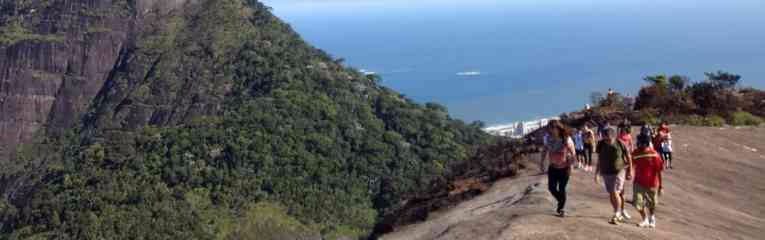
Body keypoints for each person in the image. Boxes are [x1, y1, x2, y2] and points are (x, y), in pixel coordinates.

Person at [595, 126, 633, 225]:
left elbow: (628, 156)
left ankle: (617, 212)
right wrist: (597, 173)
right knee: (612, 193)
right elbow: (599, 159)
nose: (607, 141)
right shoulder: (601, 144)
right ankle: (618, 211)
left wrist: (630, 171)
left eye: (608, 139)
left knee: (615, 191)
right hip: (606, 172)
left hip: (618, 171)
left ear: (613, 136)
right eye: (605, 138)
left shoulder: (620, 143)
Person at [541, 120, 576, 217]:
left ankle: (561, 208)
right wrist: (542, 162)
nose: (551, 130)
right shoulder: (548, 139)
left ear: (558, 128)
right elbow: (544, 150)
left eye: (553, 128)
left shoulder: (566, 139)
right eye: (549, 128)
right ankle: (561, 201)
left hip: (564, 168)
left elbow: (573, 153)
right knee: (551, 188)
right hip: (553, 167)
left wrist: (572, 164)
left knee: (561, 188)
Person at [631, 134, 664, 228]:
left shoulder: (654, 154)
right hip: (638, 182)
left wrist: (661, 186)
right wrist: (628, 172)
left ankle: (652, 218)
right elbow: (631, 163)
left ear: (646, 143)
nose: (638, 144)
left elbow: (659, 171)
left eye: (640, 143)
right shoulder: (635, 153)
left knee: (652, 203)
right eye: (638, 142)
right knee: (637, 203)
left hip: (652, 184)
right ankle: (645, 219)